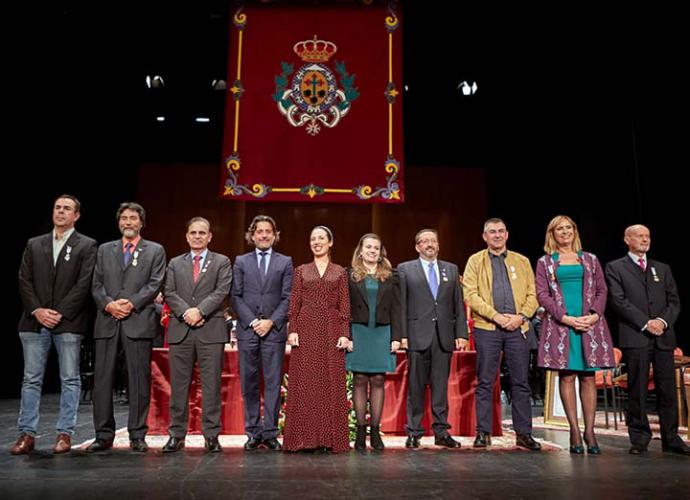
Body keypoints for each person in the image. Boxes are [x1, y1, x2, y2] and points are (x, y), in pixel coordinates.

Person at [11, 195, 97, 455]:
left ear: (76, 215)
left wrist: (58, 312)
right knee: (31, 379)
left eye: (67, 208)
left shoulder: (87, 245)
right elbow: (24, 280)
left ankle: (64, 434)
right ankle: (27, 434)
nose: (60, 212)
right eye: (57, 208)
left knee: (70, 379)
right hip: (34, 322)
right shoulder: (34, 244)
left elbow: (84, 284)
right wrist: (37, 310)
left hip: (67, 322)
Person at [87, 202, 166, 453]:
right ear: (119, 222)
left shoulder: (155, 250)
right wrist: (109, 305)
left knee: (138, 381)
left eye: (133, 218)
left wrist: (131, 304)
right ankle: (103, 435)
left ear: (141, 222)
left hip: (138, 321)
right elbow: (96, 283)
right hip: (108, 321)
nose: (128, 222)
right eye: (124, 218)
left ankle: (137, 434)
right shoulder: (104, 250)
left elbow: (155, 284)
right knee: (102, 380)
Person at [605, 224, 689, 455]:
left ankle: (671, 438)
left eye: (647, 236)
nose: (645, 239)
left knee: (667, 390)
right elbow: (618, 301)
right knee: (637, 390)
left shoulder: (662, 268)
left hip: (663, 337)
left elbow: (674, 302)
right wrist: (645, 322)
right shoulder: (615, 267)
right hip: (636, 336)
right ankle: (640, 439)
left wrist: (661, 322)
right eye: (640, 236)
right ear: (627, 239)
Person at [536, 215, 614, 454]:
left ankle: (590, 431)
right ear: (553, 234)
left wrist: (593, 315)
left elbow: (602, 290)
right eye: (560, 228)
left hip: (590, 324)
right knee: (568, 376)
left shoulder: (590, 259)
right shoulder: (545, 262)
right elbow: (542, 294)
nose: (565, 232)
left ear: (574, 231)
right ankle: (574, 431)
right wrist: (566, 318)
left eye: (569, 227)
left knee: (589, 377)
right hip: (562, 325)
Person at [462, 218, 541, 450]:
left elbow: (533, 294)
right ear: (484, 237)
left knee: (521, 382)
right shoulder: (475, 261)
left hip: (518, 328)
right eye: (491, 232)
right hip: (488, 328)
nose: (496, 235)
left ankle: (524, 434)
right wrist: (496, 316)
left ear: (506, 235)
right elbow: (471, 294)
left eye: (500, 232)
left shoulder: (522, 261)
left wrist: (521, 317)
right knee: (485, 382)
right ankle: (483, 432)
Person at [162, 217, 232, 453]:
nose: (197, 236)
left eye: (202, 233)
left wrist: (200, 311)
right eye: (193, 232)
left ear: (210, 236)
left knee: (211, 386)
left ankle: (211, 435)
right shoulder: (174, 263)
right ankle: (176, 434)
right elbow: (169, 292)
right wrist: (186, 313)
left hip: (210, 329)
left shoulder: (221, 261)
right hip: (181, 330)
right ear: (187, 236)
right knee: (179, 386)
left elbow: (222, 290)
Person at [283, 226, 350, 452]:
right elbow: (294, 304)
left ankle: (330, 440)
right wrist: (292, 329)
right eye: (313, 238)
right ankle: (304, 439)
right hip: (306, 328)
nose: (317, 242)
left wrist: (344, 333)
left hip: (331, 329)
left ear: (330, 242)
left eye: (321, 238)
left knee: (330, 382)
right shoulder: (301, 270)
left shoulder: (340, 272)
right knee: (306, 383)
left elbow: (344, 306)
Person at [398, 229, 468, 449]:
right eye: (424, 241)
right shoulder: (405, 269)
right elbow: (401, 305)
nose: (430, 244)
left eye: (433, 241)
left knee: (440, 387)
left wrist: (461, 334)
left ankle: (441, 432)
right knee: (416, 386)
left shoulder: (451, 269)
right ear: (417, 246)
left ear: (438, 245)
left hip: (443, 336)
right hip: (416, 335)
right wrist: (402, 335)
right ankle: (414, 432)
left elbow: (458, 304)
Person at [231, 215, 293, 451]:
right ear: (252, 235)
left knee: (273, 382)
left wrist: (271, 322)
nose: (264, 235)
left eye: (268, 231)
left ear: (275, 235)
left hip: (273, 332)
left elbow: (288, 297)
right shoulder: (241, 261)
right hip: (248, 331)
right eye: (259, 231)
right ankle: (253, 432)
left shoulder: (285, 262)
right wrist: (254, 321)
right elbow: (235, 296)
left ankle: (270, 432)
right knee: (249, 382)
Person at [347, 233, 401, 451]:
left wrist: (397, 337)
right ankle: (360, 432)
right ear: (360, 250)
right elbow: (343, 309)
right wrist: (346, 335)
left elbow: (398, 308)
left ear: (380, 253)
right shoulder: (349, 275)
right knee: (359, 378)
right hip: (358, 331)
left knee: (378, 379)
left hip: (382, 332)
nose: (372, 251)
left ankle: (375, 432)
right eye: (368, 247)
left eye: (376, 248)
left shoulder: (391, 276)